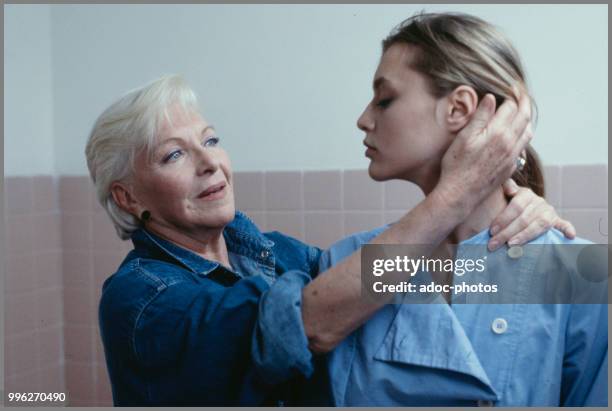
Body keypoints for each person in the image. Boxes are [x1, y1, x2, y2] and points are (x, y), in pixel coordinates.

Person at [86, 72, 574, 405]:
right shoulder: (140, 300)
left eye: (210, 141)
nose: (210, 162)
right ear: (128, 198)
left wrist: (525, 236)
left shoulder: (274, 253)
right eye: (174, 155)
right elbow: (305, 321)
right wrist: (456, 195)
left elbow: (396, 280)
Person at [306, 12, 607, 406]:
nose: (363, 120)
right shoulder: (344, 265)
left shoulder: (577, 275)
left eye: (385, 99)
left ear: (459, 108)